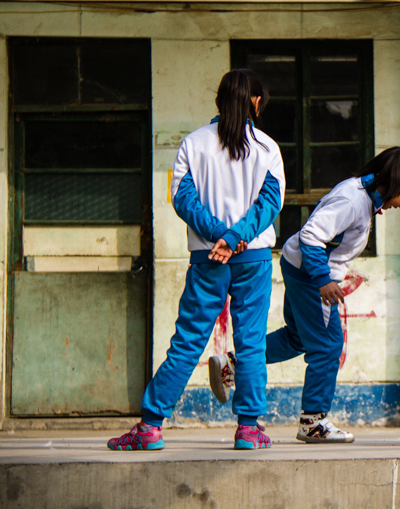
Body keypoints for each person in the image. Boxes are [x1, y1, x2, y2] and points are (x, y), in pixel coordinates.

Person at [107, 69, 286, 451]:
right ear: (255, 102)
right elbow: (270, 205)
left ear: (218, 100)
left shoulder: (193, 143)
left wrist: (218, 237)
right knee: (251, 343)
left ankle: (151, 427)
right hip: (252, 258)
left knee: (187, 342)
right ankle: (249, 430)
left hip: (208, 259)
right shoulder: (268, 148)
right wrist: (235, 238)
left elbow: (184, 200)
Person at [208, 147, 400, 443]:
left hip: (302, 269)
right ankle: (313, 421)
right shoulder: (352, 200)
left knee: (298, 337)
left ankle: (232, 364)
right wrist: (323, 280)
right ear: (397, 184)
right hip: (310, 277)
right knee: (327, 346)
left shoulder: (363, 197)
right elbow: (311, 236)